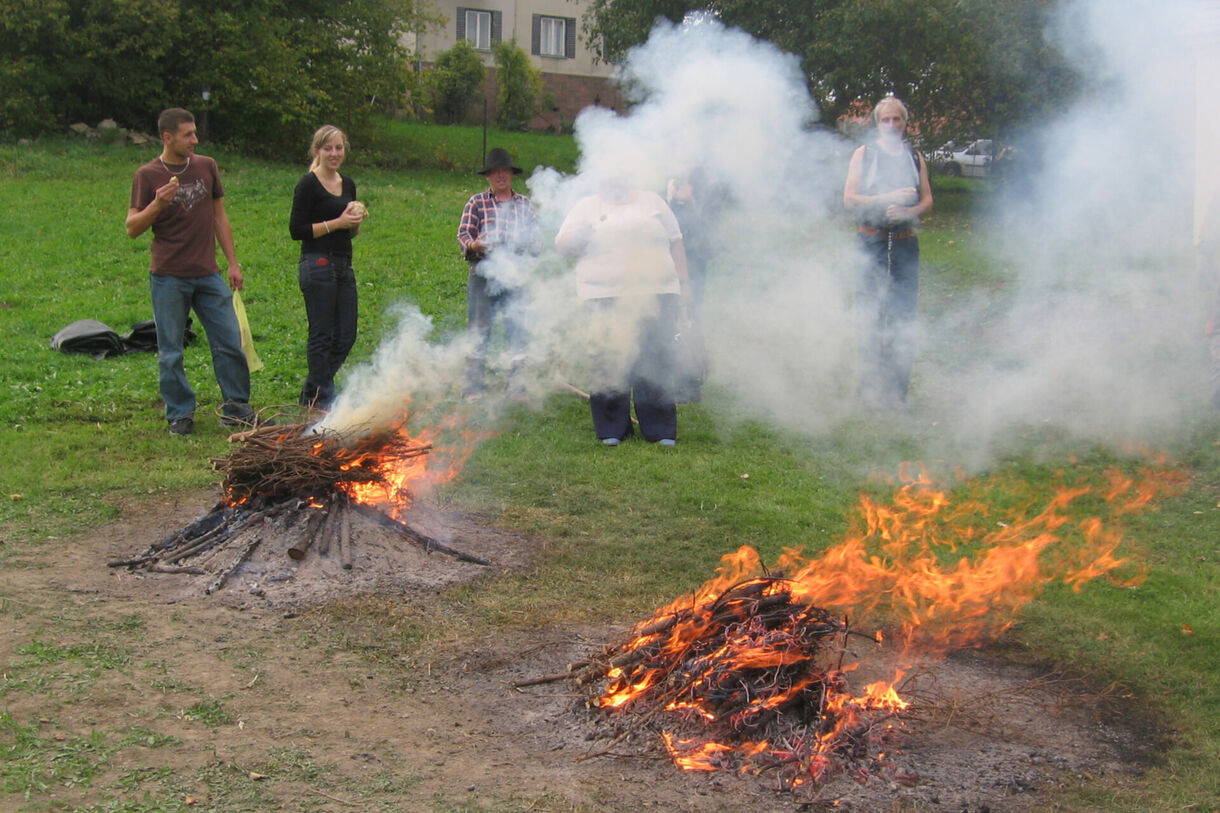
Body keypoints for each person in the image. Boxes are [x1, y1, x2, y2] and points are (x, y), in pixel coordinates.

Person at [126, 107, 262, 435]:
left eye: (195, 133)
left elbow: (219, 216)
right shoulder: (147, 175)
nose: (195, 140)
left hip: (208, 273)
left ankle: (237, 410)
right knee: (171, 350)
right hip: (169, 275)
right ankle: (179, 414)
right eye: (187, 135)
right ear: (167, 137)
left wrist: (232, 263)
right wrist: (157, 205)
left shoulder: (206, 166)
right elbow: (132, 228)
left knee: (230, 341)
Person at [555, 178, 689, 446]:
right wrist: (581, 236)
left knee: (655, 359)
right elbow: (562, 245)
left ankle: (660, 429)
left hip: (655, 291)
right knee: (607, 359)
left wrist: (684, 286)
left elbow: (676, 242)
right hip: (602, 295)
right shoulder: (586, 207)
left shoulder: (653, 201)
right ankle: (612, 428)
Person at [843, 96, 933, 410]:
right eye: (886, 120)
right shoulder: (864, 154)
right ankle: (867, 391)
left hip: (906, 244)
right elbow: (849, 199)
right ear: (877, 123)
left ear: (905, 123)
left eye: (897, 120)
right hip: (871, 242)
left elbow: (927, 200)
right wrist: (886, 197)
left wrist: (910, 210)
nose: (892, 125)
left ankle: (896, 394)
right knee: (870, 316)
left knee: (902, 318)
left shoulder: (915, 155)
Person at [288, 125, 367, 411]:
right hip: (317, 263)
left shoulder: (348, 184)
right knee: (322, 333)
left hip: (344, 263)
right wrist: (338, 223)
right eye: (328, 148)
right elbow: (296, 230)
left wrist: (353, 223)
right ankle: (322, 398)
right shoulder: (308, 184)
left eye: (339, 148)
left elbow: (348, 232)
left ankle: (314, 389)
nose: (334, 154)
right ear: (317, 151)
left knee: (346, 334)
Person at [456, 147, 541, 401]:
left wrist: (531, 245)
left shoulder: (524, 204)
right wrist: (474, 246)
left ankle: (517, 387)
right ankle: (473, 387)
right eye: (495, 172)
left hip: (515, 274)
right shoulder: (476, 202)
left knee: (518, 329)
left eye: (504, 171)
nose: (500, 176)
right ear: (488, 177)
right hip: (484, 274)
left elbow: (537, 240)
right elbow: (463, 235)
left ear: (511, 175)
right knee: (478, 329)